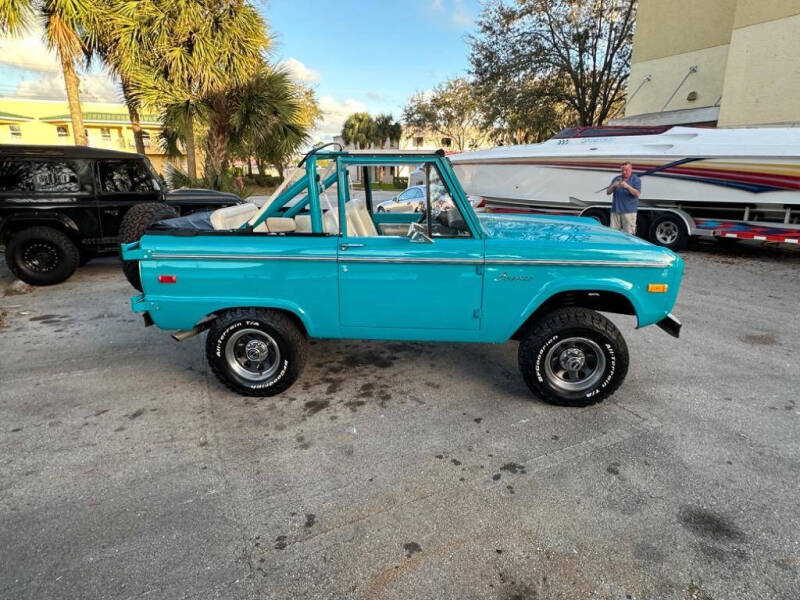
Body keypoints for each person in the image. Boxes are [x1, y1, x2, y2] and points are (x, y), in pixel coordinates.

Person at [606, 162, 641, 235]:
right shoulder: (616, 178)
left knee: (629, 235)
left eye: (626, 170)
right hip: (615, 211)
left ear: (631, 169)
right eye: (622, 170)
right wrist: (613, 186)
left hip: (629, 212)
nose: (624, 172)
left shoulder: (636, 179)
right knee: (613, 234)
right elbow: (608, 192)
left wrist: (627, 186)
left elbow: (637, 193)